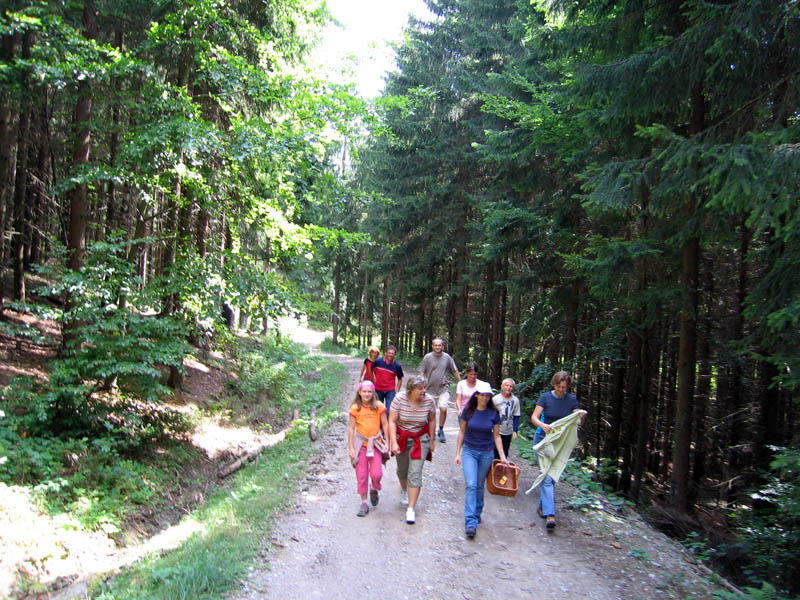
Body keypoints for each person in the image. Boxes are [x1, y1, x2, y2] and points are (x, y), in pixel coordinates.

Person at [530, 370, 586, 530]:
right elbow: (534, 417)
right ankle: (550, 515)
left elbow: (577, 420)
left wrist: (582, 416)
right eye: (559, 386)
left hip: (559, 444)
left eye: (564, 387)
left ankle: (542, 507)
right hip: (543, 440)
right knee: (547, 476)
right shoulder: (545, 397)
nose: (562, 390)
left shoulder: (571, 400)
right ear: (554, 384)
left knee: (550, 476)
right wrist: (542, 425)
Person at [455, 381, 507, 538]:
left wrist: (502, 456)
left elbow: (497, 436)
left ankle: (477, 511)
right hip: (469, 451)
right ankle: (470, 521)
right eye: (482, 395)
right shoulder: (468, 411)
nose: (485, 398)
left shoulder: (493, 414)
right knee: (471, 484)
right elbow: (462, 432)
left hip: (486, 452)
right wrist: (458, 452)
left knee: (479, 485)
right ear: (477, 395)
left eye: (487, 396)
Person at [389, 375, 436, 524]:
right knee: (402, 470)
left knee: (415, 472)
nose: (424, 391)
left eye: (424, 388)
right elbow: (392, 421)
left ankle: (411, 508)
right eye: (420, 388)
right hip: (402, 436)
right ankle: (404, 490)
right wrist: (393, 442)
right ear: (410, 390)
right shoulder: (399, 399)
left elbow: (432, 420)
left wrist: (432, 440)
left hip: (420, 439)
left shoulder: (429, 401)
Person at [348, 380, 388, 517]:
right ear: (359, 392)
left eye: (369, 392)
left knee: (377, 474)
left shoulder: (379, 406)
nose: (367, 394)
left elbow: (385, 424)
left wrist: (387, 441)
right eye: (364, 391)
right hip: (361, 445)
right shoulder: (355, 408)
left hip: (375, 444)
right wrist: (351, 448)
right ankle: (364, 503)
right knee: (362, 475)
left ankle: (374, 488)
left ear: (373, 393)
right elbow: (351, 428)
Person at [417, 337, 461, 443]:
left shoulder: (447, 358)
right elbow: (421, 371)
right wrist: (419, 384)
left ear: (443, 346)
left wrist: (461, 381)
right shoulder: (427, 357)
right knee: (429, 412)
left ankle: (441, 429)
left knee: (443, 409)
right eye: (436, 345)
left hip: (443, 388)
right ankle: (427, 430)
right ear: (432, 346)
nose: (438, 347)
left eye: (439, 345)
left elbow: (454, 370)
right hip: (429, 389)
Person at [492, 378, 521, 460]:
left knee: (505, 451)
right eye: (507, 385)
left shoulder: (515, 401)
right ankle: (493, 468)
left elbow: (516, 416)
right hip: (496, 430)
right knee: (495, 450)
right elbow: (491, 414)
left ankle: (501, 468)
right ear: (502, 387)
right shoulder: (495, 399)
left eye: (511, 386)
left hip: (508, 430)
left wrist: (515, 430)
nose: (508, 388)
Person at [372, 346, 403, 412]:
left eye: (392, 353)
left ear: (395, 355)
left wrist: (396, 391)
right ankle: (379, 422)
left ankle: (387, 422)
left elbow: (400, 379)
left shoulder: (397, 366)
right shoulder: (378, 362)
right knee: (378, 409)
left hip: (390, 391)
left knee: (389, 410)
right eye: (389, 353)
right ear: (385, 353)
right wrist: (372, 381)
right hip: (378, 389)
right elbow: (370, 370)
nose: (390, 355)